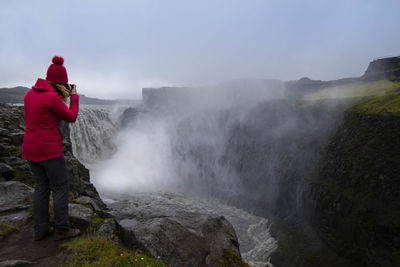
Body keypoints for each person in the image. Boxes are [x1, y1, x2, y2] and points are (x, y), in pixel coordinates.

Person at [22, 56, 81, 241]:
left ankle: (41, 230)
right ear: (60, 83)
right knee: (60, 187)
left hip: (31, 150)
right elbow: (71, 116)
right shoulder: (52, 98)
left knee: (41, 188)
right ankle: (62, 228)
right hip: (49, 151)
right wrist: (74, 97)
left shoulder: (28, 95)